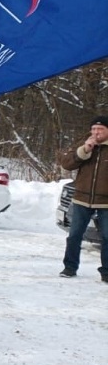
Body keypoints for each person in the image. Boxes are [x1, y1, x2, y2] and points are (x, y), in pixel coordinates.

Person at [57, 115, 108, 283]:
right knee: (74, 235)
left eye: (100, 129)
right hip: (81, 199)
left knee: (107, 237)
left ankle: (106, 272)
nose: (96, 132)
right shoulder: (86, 146)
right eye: (93, 129)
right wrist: (84, 150)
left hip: (105, 202)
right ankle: (70, 267)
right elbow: (66, 164)